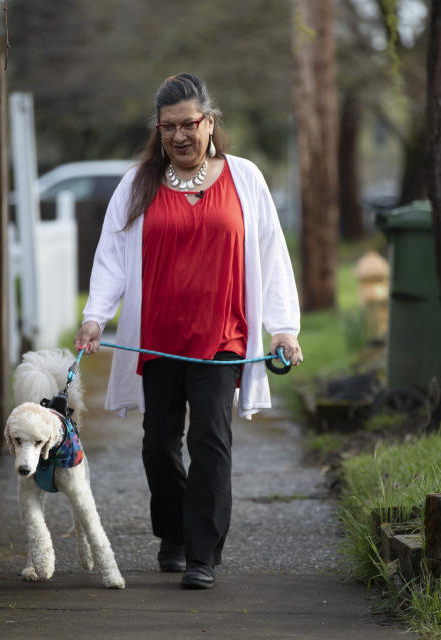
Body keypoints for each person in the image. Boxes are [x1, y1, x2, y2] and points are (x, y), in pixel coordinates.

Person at [74, 73, 302, 590]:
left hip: (223, 337)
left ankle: (202, 555)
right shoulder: (138, 185)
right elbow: (111, 257)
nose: (180, 136)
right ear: (159, 130)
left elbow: (271, 255)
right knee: (158, 443)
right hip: (156, 338)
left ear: (210, 123)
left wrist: (283, 328)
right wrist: (95, 316)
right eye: (169, 127)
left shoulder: (244, 178)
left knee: (211, 441)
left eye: (190, 124)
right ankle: (173, 533)